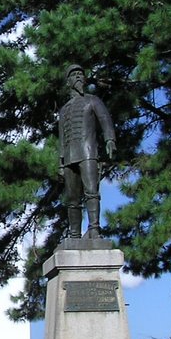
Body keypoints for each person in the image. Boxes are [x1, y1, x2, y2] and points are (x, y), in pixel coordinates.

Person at [58, 64, 116, 239]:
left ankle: (94, 228)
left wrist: (110, 139)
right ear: (68, 81)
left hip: (88, 152)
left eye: (80, 74)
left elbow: (105, 119)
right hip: (69, 156)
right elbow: (62, 138)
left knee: (91, 191)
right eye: (73, 75)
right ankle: (74, 233)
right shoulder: (64, 110)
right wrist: (60, 162)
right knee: (72, 198)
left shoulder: (92, 100)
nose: (78, 77)